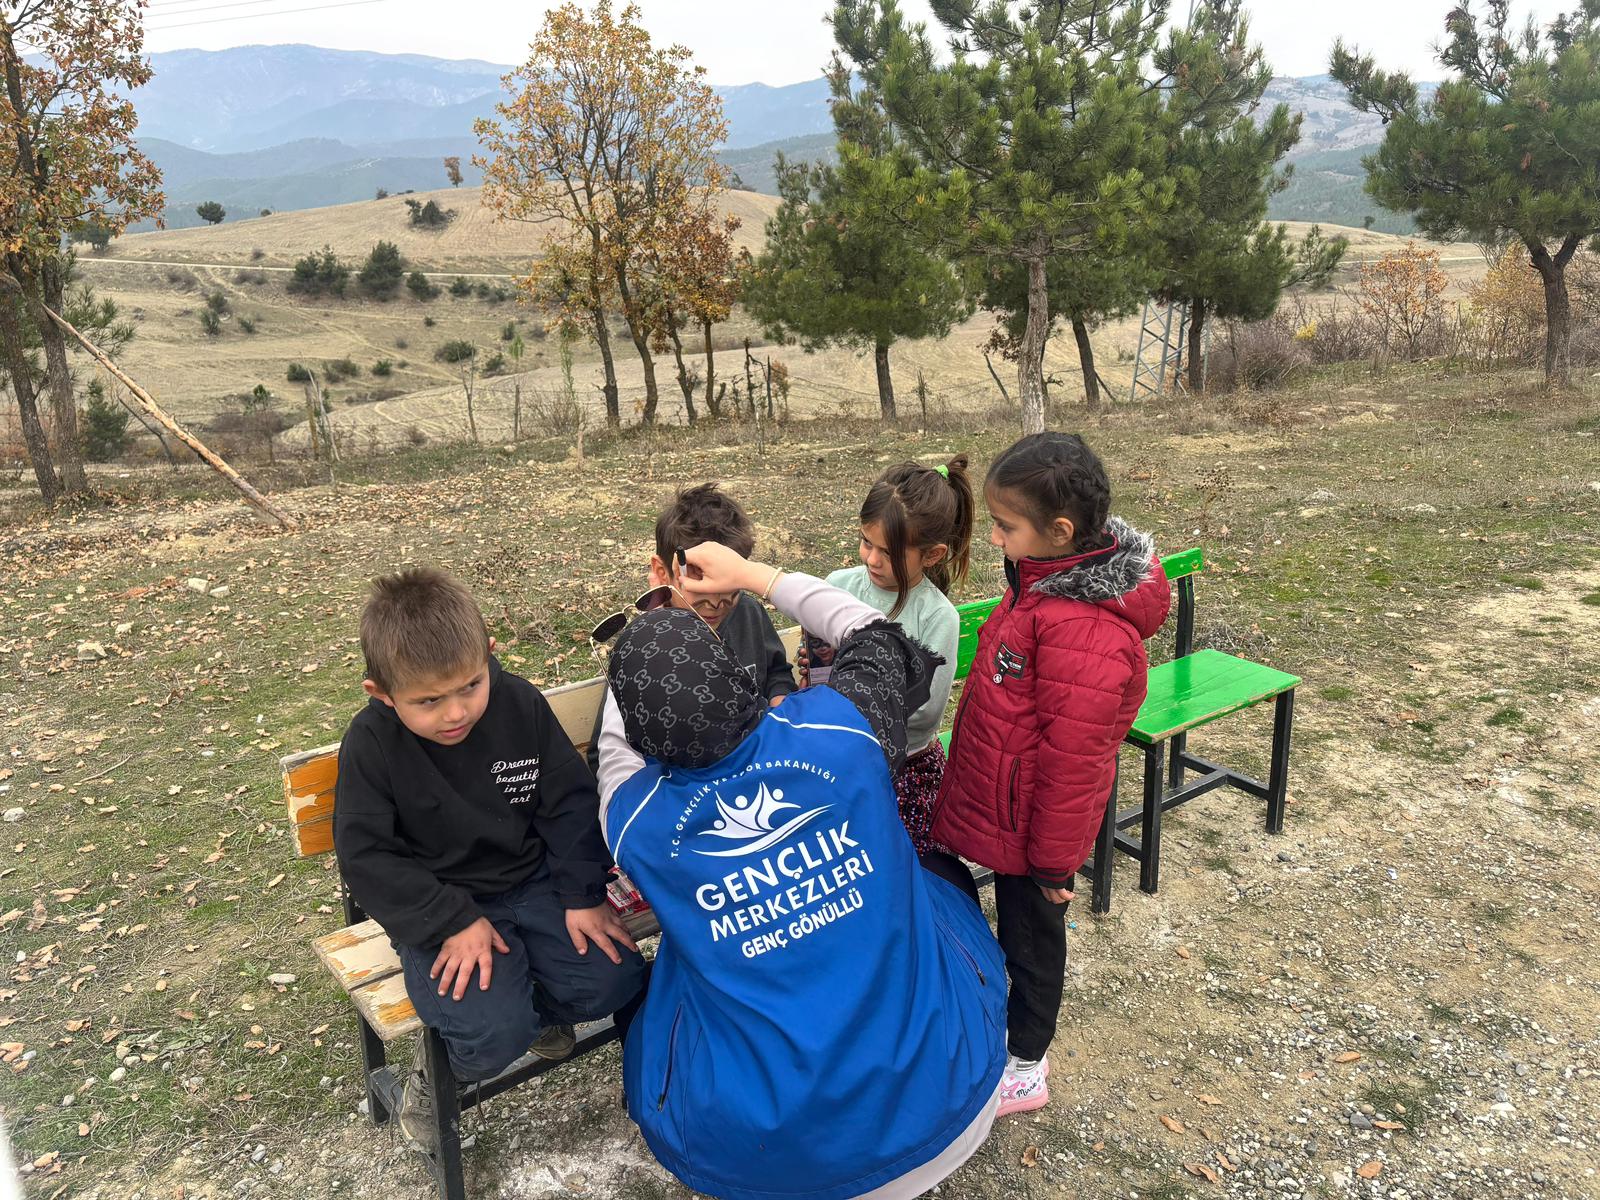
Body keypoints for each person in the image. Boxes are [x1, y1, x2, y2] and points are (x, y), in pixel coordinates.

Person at [596, 543, 1006, 1200]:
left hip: (772, 1166)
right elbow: (875, 636)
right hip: (956, 1096)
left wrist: (647, 624)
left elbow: (616, 754)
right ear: (737, 679)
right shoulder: (839, 728)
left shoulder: (635, 819)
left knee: (655, 999)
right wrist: (756, 576)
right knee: (939, 880)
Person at [333, 567, 646, 1150]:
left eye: (470, 686)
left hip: (534, 884)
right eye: (428, 701)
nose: (455, 713)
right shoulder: (372, 744)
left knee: (615, 980)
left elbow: (569, 804)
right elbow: (367, 856)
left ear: (489, 655)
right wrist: (449, 920)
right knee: (491, 1037)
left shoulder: (518, 703)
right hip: (439, 908)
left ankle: (531, 1009)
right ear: (380, 692)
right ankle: (439, 1074)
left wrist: (582, 894)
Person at [928, 432, 1171, 1117]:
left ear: (1060, 532)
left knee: (1032, 944)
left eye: (1005, 527)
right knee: (1007, 931)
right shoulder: (1042, 584)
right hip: (1013, 809)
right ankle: (1000, 1028)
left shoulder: (1085, 630)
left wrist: (1054, 866)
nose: (997, 539)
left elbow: (1074, 764)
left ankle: (1027, 1062)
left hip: (1038, 833)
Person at [806, 455, 975, 855]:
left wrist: (846, 697)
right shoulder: (837, 586)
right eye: (867, 542)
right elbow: (816, 673)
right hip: (835, 759)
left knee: (893, 867)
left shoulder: (937, 617)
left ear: (931, 555)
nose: (871, 559)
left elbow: (925, 715)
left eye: (888, 552)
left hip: (903, 772)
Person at [587, 482, 795, 775]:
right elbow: (603, 754)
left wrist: (779, 703)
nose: (716, 605)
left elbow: (776, 672)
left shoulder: (748, 612)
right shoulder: (647, 649)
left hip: (760, 763)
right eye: (700, 595)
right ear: (662, 573)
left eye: (730, 592)